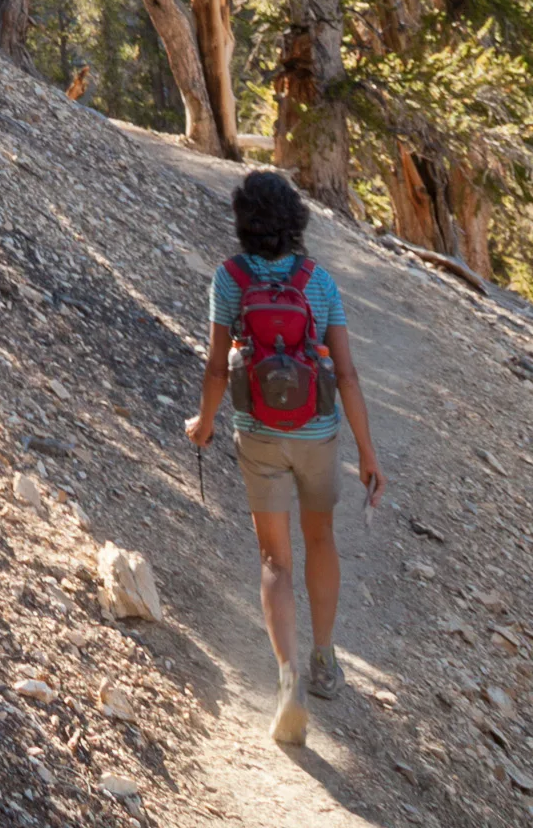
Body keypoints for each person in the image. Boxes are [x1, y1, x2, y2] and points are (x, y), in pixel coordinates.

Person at [184, 167, 385, 746]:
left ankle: (288, 675)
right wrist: (368, 453)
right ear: (295, 219)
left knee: (275, 561)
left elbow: (218, 365)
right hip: (316, 433)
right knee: (320, 539)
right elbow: (345, 373)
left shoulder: (229, 279)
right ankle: (324, 659)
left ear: (245, 221)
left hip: (258, 433)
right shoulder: (318, 281)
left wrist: (205, 423)